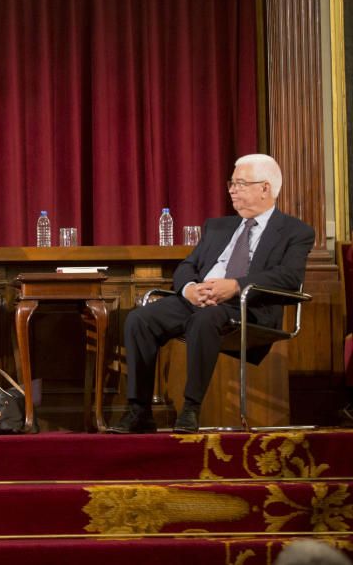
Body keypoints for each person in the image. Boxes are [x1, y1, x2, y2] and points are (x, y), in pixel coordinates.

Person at [109, 154, 314, 434]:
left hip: (246, 307)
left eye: (240, 183)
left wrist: (236, 285)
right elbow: (188, 265)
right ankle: (139, 411)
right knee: (139, 319)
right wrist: (189, 289)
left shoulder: (295, 231)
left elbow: (290, 277)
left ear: (265, 188)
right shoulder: (218, 226)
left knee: (205, 320)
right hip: (199, 299)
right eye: (232, 183)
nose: (232, 190)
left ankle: (190, 409)